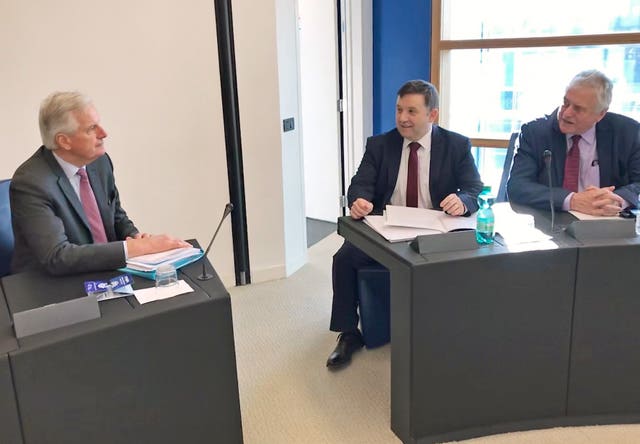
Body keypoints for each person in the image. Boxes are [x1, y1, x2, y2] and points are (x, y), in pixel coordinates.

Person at [327, 80, 483, 369]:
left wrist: (462, 201)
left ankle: (451, 332)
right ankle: (349, 333)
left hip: (435, 231)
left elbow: (474, 188)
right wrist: (359, 200)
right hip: (389, 230)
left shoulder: (456, 145)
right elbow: (359, 184)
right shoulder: (380, 144)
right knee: (345, 257)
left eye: (412, 111)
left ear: (432, 115)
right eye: (399, 109)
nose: (402, 118)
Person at [10, 91, 190, 276]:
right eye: (91, 129)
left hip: (104, 272)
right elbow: (57, 257)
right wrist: (135, 248)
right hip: (51, 287)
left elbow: (116, 216)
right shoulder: (31, 183)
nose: (103, 133)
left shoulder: (99, 162)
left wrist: (134, 236)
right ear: (64, 141)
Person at [508, 69, 640, 215]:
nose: (566, 113)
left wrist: (617, 200)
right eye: (565, 103)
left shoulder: (628, 133)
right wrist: (572, 200)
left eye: (578, 109)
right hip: (550, 223)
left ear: (600, 114)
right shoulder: (534, 132)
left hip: (608, 223)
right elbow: (517, 187)